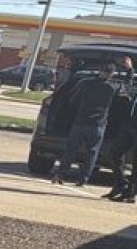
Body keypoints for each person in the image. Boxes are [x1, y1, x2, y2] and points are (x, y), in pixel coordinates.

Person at [50, 58, 117, 188]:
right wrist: (130, 71)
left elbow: (73, 100)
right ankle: (83, 179)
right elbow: (127, 92)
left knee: (70, 150)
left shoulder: (86, 83)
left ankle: (60, 174)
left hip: (80, 122)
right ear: (112, 74)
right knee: (92, 153)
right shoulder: (112, 87)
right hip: (98, 125)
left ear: (100, 71)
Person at [99, 57, 136, 203]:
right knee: (113, 154)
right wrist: (130, 70)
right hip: (129, 126)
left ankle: (131, 193)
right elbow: (128, 87)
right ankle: (120, 184)